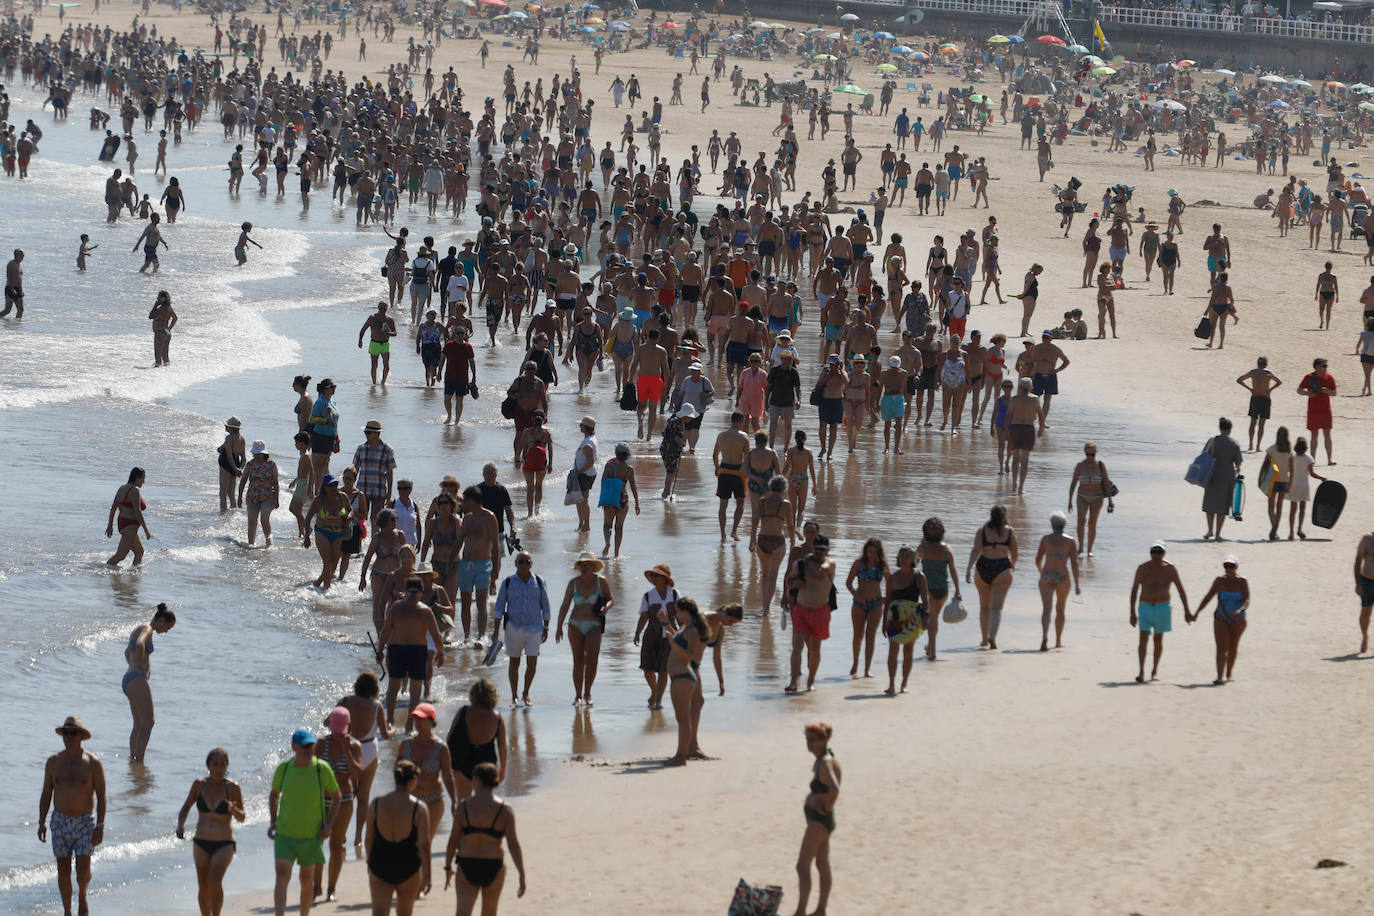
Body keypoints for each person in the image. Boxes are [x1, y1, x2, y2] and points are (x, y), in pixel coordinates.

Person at [268, 728, 341, 916]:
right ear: (294, 747)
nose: (309, 749)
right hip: (285, 834)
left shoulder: (321, 769)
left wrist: (329, 825)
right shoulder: (284, 769)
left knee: (306, 879)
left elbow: (337, 796)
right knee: (282, 874)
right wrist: (273, 820)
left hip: (311, 836)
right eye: (305, 746)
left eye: (311, 746)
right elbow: (274, 794)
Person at [40, 716, 107, 916]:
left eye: (73, 733)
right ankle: (68, 911)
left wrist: (100, 826)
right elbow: (46, 794)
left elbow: (102, 797)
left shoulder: (93, 763)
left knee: (83, 870)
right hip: (60, 821)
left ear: (81, 736)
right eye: (66, 733)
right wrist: (41, 822)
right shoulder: (53, 762)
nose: (68, 736)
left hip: (85, 822)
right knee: (63, 869)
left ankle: (82, 896)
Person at [443, 762, 527, 916]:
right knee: (489, 913)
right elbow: (513, 844)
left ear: (478, 781)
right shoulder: (505, 809)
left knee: (462, 913)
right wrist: (521, 873)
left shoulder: (464, 807)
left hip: (467, 863)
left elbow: (453, 841)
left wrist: (447, 867)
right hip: (493, 865)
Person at [176, 747, 246, 916]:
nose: (219, 768)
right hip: (201, 843)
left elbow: (242, 817)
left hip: (224, 843)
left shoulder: (233, 788)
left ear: (227, 766)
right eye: (215, 764)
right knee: (204, 886)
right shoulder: (199, 785)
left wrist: (233, 810)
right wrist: (180, 825)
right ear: (208, 765)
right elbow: (185, 808)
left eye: (223, 764)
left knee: (215, 881)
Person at [334, 673, 394, 846]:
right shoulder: (377, 706)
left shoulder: (345, 702)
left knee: (348, 794)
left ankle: (342, 832)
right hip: (369, 750)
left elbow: (328, 723)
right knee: (363, 796)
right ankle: (358, 836)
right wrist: (392, 730)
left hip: (349, 748)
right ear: (375, 688)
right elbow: (384, 734)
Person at [377, 575, 446, 727]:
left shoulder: (396, 607)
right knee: (415, 691)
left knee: (393, 688)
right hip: (417, 651)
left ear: (406, 591)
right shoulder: (426, 611)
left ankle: (390, 720)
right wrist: (441, 653)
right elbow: (436, 636)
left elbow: (385, 632)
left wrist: (380, 651)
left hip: (396, 649)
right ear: (421, 592)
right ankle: (409, 724)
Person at [365, 759, 431, 916]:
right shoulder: (419, 808)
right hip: (408, 866)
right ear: (412, 780)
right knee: (405, 912)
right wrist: (427, 875)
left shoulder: (376, 803)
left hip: (380, 864)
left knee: (379, 913)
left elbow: (368, 840)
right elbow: (424, 845)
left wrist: (370, 863)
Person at [314, 708, 363, 901]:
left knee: (336, 845)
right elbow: (312, 770)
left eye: (341, 731)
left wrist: (346, 752)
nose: (337, 735)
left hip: (344, 801)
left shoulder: (355, 746)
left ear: (348, 727)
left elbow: (357, 774)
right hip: (321, 801)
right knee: (316, 843)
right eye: (334, 730)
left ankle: (331, 888)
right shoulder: (320, 744)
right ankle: (316, 885)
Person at [491, 551, 552, 707]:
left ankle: (526, 693)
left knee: (532, 663)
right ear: (516, 564)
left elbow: (545, 606)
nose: (524, 564)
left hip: (535, 628)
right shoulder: (508, 582)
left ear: (531, 564)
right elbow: (499, 607)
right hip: (514, 627)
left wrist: (546, 627)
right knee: (514, 662)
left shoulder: (539, 581)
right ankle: (514, 696)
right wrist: (496, 631)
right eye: (521, 561)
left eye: (527, 561)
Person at [1128, 541, 1192, 683]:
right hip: (1144, 607)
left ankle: (1154, 670)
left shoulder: (1170, 569)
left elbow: (1181, 590)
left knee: (1158, 640)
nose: (1156, 555)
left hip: (1162, 607)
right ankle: (1141, 671)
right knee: (1143, 639)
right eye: (1153, 552)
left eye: (1159, 552)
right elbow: (1134, 591)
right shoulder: (1142, 569)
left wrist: (1187, 610)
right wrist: (1132, 613)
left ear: (1164, 553)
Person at [795, 722, 840, 916]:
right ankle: (820, 910)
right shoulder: (823, 758)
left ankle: (801, 912)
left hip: (818, 823)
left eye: (813, 740)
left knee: (802, 866)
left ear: (824, 740)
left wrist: (824, 805)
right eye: (807, 739)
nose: (809, 743)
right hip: (823, 821)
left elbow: (835, 789)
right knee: (822, 864)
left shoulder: (825, 762)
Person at [556, 553, 614, 706]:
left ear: (593, 566)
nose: (584, 567)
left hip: (594, 624)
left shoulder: (601, 582)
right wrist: (558, 627)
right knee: (578, 661)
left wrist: (606, 607)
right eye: (581, 564)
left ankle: (588, 693)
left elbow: (611, 599)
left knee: (592, 660)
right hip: (575, 624)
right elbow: (564, 606)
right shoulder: (573, 583)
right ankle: (577, 695)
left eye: (587, 564)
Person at [122, 602, 176, 762]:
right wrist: (140, 666)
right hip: (137, 679)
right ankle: (139, 760)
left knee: (138, 724)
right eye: (168, 627)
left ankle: (133, 760)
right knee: (149, 722)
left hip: (128, 679)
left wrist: (134, 666)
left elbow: (126, 652)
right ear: (161, 620)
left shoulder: (139, 628)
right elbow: (139, 644)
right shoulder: (147, 629)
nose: (166, 631)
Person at [398, 703, 456, 845]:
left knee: (424, 843)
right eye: (415, 718)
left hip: (434, 801)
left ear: (431, 721)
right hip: (410, 800)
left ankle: (424, 867)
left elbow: (448, 777)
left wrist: (454, 801)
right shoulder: (406, 744)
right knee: (410, 843)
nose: (417, 722)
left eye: (421, 719)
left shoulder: (441, 748)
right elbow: (397, 775)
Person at [785, 534, 836, 693]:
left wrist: (809, 560)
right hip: (801, 609)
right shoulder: (801, 564)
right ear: (813, 548)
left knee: (815, 649)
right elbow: (789, 580)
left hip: (821, 610)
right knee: (797, 646)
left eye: (823, 549)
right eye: (817, 549)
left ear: (828, 550)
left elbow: (821, 571)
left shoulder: (830, 563)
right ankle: (793, 682)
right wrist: (795, 584)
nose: (820, 552)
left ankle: (810, 682)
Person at [445, 678, 507, 804]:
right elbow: (502, 747)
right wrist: (502, 770)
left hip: (460, 761)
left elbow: (449, 737)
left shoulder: (463, 711)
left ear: (472, 695)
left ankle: (460, 823)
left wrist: (445, 763)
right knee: (484, 804)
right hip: (486, 763)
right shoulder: (497, 717)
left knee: (460, 805)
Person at [966, 506, 1017, 650]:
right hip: (1002, 567)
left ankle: (983, 640)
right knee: (997, 607)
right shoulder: (1010, 531)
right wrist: (1012, 567)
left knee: (984, 607)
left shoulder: (982, 531)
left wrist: (969, 569)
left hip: (983, 567)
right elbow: (1014, 553)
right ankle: (992, 637)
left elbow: (976, 550)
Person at [882, 545, 931, 695]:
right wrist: (884, 621)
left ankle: (904, 684)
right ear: (898, 558)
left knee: (908, 650)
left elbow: (925, 598)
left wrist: (926, 616)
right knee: (893, 649)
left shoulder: (919, 576)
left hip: (912, 617)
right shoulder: (892, 578)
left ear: (914, 559)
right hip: (894, 617)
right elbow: (888, 600)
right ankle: (891, 684)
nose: (904, 559)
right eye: (902, 556)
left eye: (908, 556)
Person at [1194, 556, 1249, 685]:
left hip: (1238, 619)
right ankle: (1219, 676)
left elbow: (1247, 600)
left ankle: (1228, 673)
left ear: (1236, 567)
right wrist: (1197, 612)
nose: (1228, 569)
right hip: (1221, 617)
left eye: (1231, 566)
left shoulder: (1242, 581)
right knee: (1221, 647)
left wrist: (1240, 610)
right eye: (1226, 566)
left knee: (1233, 647)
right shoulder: (1219, 581)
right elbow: (1208, 597)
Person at [634, 563, 679, 710]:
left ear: (664, 578)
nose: (652, 578)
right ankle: (654, 691)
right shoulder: (648, 596)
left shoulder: (675, 594)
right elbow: (644, 617)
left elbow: (680, 616)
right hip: (651, 635)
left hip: (670, 635)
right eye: (652, 576)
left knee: (663, 670)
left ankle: (658, 700)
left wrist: (683, 633)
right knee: (647, 669)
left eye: (655, 575)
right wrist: (637, 633)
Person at [1034, 512, 1081, 651]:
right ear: (1064, 525)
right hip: (1063, 577)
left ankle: (1044, 636)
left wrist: (1041, 572)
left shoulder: (1046, 539)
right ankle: (1058, 640)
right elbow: (1074, 564)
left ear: (1052, 525)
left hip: (1047, 575)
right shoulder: (1071, 541)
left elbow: (1037, 559)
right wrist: (1077, 584)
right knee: (1060, 610)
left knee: (1046, 609)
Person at [916, 517, 960, 661]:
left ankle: (932, 651)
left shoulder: (923, 548)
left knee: (931, 619)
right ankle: (930, 647)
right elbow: (953, 571)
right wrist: (957, 590)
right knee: (935, 619)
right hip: (943, 589)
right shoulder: (947, 549)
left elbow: (915, 561)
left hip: (927, 588)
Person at [846, 538, 889, 679]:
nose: (872, 554)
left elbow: (891, 584)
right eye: (869, 551)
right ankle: (855, 663)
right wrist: (854, 594)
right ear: (865, 551)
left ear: (879, 552)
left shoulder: (882, 565)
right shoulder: (859, 564)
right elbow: (848, 582)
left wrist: (886, 599)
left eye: (875, 552)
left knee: (870, 636)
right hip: (859, 603)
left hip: (875, 604)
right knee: (857, 635)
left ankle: (867, 669)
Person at [1067, 442, 1114, 557]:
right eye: (1088, 454)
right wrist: (1070, 500)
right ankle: (1080, 547)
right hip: (1082, 496)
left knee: (1092, 523)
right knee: (1081, 520)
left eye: (1092, 454)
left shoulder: (1100, 465)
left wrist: (1110, 501)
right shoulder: (1080, 465)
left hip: (1097, 497)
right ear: (1085, 453)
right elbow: (1073, 483)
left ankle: (1090, 549)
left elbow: (1107, 483)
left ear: (1096, 453)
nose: (1090, 457)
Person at [1201, 417, 1244, 541]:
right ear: (1230, 429)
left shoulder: (1212, 441)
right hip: (1227, 475)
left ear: (1220, 428)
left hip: (1213, 473)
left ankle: (1210, 530)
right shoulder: (1234, 443)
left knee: (1210, 503)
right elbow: (1238, 463)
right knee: (1223, 504)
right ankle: (1218, 533)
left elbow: (1204, 455)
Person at [597, 442, 640, 557]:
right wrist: (637, 503)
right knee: (619, 527)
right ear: (627, 455)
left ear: (616, 453)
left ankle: (607, 543)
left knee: (607, 525)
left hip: (610, 498)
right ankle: (616, 553)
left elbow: (603, 481)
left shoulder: (610, 465)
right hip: (623, 499)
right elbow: (633, 487)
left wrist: (603, 497)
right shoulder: (629, 469)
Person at [106, 466, 151, 567]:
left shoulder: (122, 488)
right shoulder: (135, 490)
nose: (144, 482)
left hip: (123, 523)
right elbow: (137, 511)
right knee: (120, 555)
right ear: (138, 478)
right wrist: (146, 530)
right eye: (143, 478)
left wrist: (110, 525)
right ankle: (103, 573)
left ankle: (134, 578)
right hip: (130, 525)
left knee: (139, 552)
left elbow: (113, 508)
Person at [238, 440, 280, 546]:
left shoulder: (271, 464)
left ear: (263, 453)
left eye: (257, 453)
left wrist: (276, 499)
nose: (254, 455)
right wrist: (239, 496)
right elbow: (243, 481)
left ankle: (269, 542)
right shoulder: (250, 464)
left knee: (264, 519)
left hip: (268, 496)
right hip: (252, 496)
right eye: (254, 453)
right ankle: (251, 544)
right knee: (252, 521)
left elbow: (275, 482)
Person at [1236, 356, 1282, 451]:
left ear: (1258, 363)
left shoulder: (1253, 372)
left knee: (1253, 422)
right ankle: (1257, 446)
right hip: (1265, 398)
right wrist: (1270, 390)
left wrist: (1250, 389)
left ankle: (1251, 445)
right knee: (1261, 424)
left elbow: (1239, 380)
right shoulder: (1268, 373)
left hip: (1255, 398)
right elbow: (1279, 382)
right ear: (1266, 364)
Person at [1285, 436, 1325, 540]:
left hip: (1293, 484)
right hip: (1304, 485)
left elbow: (1290, 472)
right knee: (1302, 509)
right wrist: (1321, 478)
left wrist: (1288, 484)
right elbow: (1312, 474)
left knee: (1292, 510)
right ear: (1306, 448)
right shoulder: (1309, 458)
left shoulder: (1292, 458)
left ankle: (1291, 532)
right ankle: (1299, 529)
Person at [1298, 357, 1337, 465]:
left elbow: (1334, 393)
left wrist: (1326, 391)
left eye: (1326, 366)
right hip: (1313, 411)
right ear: (1316, 367)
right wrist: (1308, 393)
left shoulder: (1329, 378)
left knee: (1327, 435)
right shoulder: (1309, 377)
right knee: (1314, 436)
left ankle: (1329, 460)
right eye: (1323, 366)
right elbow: (1299, 390)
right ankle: (1312, 460)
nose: (1325, 368)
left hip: (1326, 411)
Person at [1357, 528, 1374, 653]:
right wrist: (1358, 584)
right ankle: (1365, 636)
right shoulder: (1367, 539)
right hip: (1367, 581)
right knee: (1365, 615)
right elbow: (1358, 562)